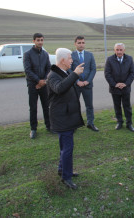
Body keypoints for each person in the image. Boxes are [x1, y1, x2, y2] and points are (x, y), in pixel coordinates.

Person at [46, 48, 85, 190]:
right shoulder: (53, 76)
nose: (72, 60)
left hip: (68, 115)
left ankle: (63, 170)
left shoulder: (63, 72)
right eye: (69, 58)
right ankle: (66, 177)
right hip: (62, 118)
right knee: (67, 148)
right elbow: (60, 88)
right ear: (62, 60)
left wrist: (73, 74)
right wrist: (75, 74)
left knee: (65, 146)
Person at [23, 33, 51, 139]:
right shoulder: (28, 54)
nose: (40, 42)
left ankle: (49, 126)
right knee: (33, 108)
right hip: (33, 85)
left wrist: (43, 81)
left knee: (46, 106)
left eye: (42, 40)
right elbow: (28, 70)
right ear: (34, 41)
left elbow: (48, 68)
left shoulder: (45, 54)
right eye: (38, 40)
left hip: (44, 85)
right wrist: (38, 81)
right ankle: (33, 129)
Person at [104, 43, 134, 132]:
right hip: (115, 88)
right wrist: (115, 84)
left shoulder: (129, 59)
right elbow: (107, 74)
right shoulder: (110, 60)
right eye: (117, 50)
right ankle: (119, 122)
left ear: (124, 50)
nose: (119, 51)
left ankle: (129, 123)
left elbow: (132, 73)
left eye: (120, 50)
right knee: (117, 106)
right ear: (114, 50)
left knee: (127, 106)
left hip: (126, 88)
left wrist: (126, 83)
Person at [71, 36, 99, 132]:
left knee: (89, 105)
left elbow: (93, 69)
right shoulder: (71, 55)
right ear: (75, 44)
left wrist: (88, 81)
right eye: (79, 43)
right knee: (74, 105)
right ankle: (74, 124)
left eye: (83, 42)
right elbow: (69, 70)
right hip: (76, 85)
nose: (81, 44)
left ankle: (90, 123)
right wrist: (77, 81)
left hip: (87, 85)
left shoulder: (89, 55)